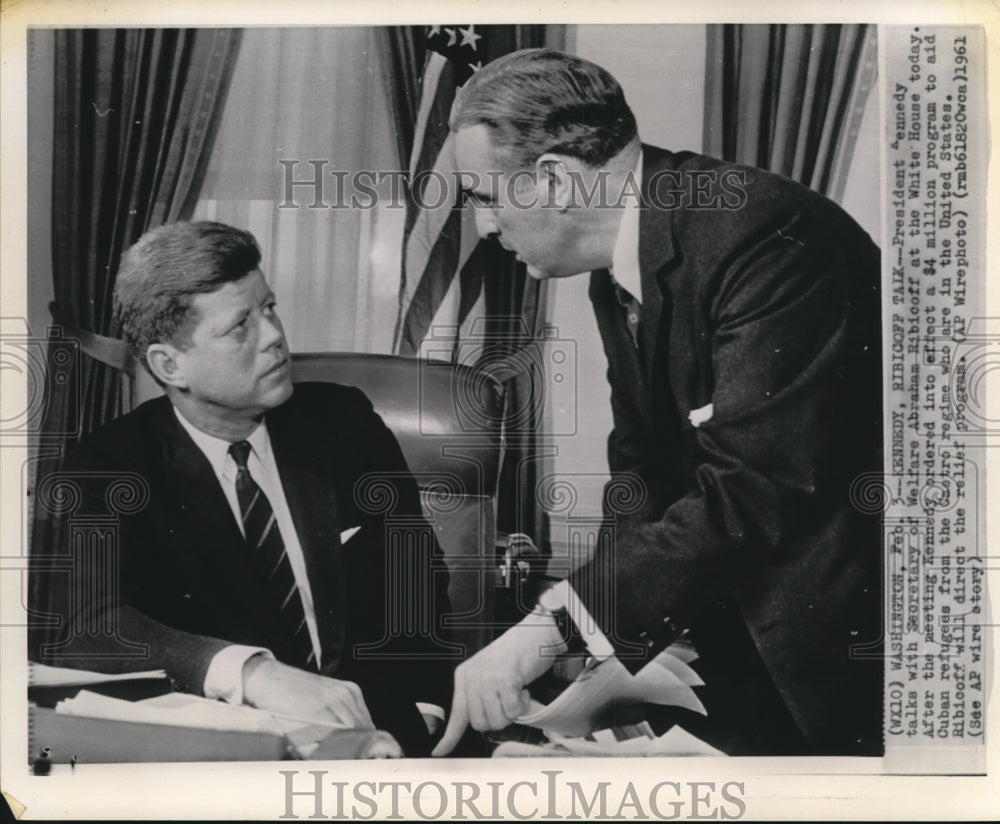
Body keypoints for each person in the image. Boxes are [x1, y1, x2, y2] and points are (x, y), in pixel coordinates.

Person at [434, 49, 883, 756]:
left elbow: (754, 488)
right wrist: (601, 648)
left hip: (827, 663)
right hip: (728, 643)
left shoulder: (763, 236)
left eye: (487, 197)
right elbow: (640, 468)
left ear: (555, 180)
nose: (487, 227)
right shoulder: (625, 256)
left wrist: (552, 625)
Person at [35, 221, 453, 756]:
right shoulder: (107, 467)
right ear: (169, 364)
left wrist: (421, 711)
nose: (275, 335)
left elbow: (413, 573)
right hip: (229, 753)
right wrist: (253, 672)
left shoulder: (343, 420)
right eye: (240, 327)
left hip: (381, 738)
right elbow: (89, 625)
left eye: (269, 307)